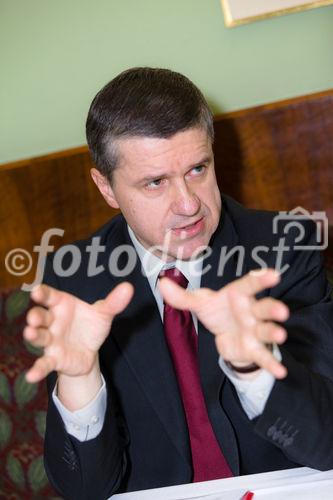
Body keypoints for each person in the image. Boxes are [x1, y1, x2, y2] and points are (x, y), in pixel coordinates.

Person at [24, 67, 333, 499]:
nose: (189, 204)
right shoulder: (76, 278)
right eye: (155, 182)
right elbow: (85, 490)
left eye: (197, 169)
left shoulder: (284, 248)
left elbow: (327, 444)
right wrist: (79, 382)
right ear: (106, 188)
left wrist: (256, 369)